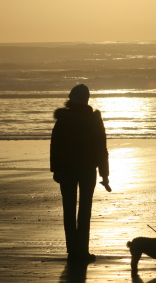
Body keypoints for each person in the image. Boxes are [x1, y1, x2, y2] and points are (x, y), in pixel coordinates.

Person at [50, 84, 110, 261]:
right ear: (87, 99)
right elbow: (101, 149)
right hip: (87, 169)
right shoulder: (94, 120)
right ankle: (82, 251)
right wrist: (104, 175)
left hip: (67, 169)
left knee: (69, 209)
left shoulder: (63, 119)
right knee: (85, 209)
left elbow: (55, 146)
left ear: (72, 97)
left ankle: (72, 251)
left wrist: (55, 169)